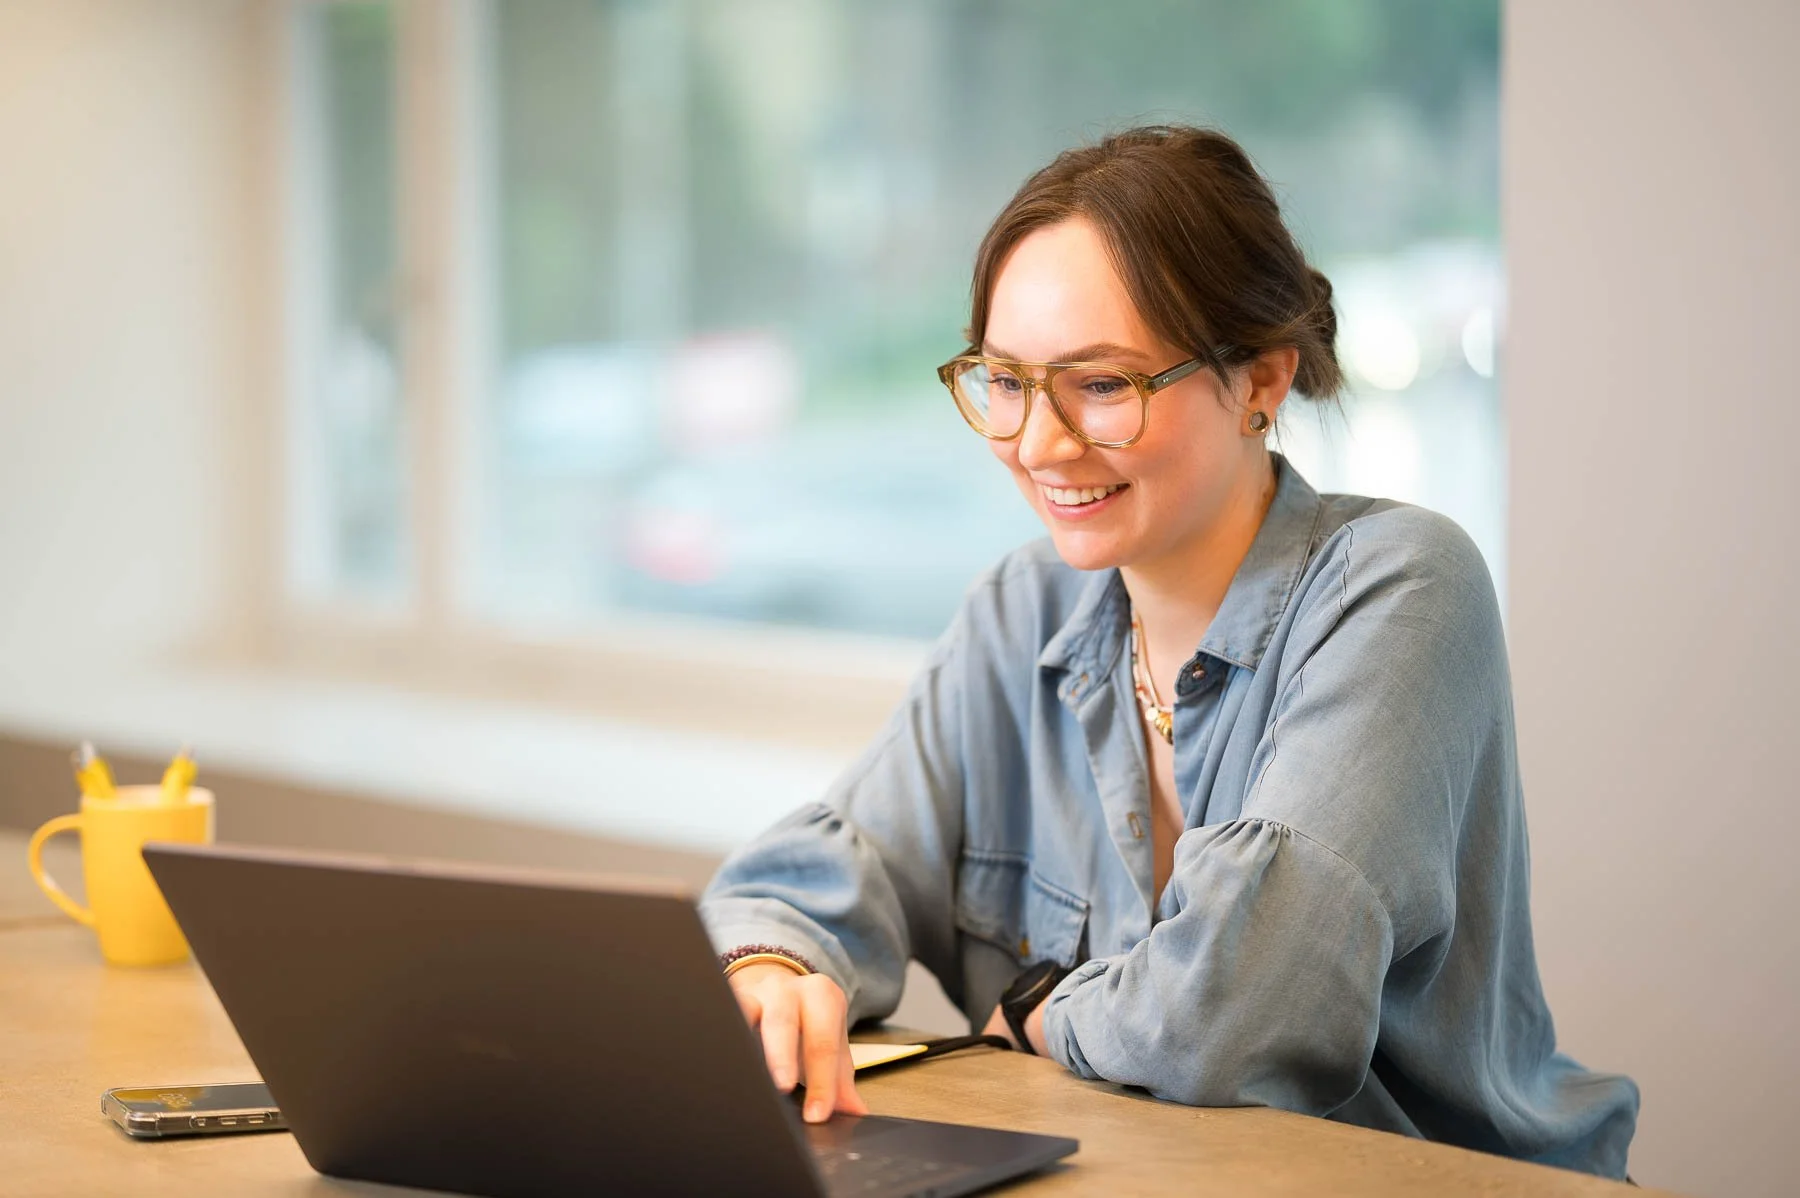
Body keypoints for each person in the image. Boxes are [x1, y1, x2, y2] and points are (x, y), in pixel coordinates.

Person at [700, 125, 1639, 1178]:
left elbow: (1231, 1016)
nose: (1037, 443)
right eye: (1005, 380)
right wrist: (774, 963)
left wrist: (1040, 1011)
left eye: (1100, 384)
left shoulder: (1406, 586)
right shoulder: (1021, 611)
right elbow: (825, 873)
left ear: (1260, 383)